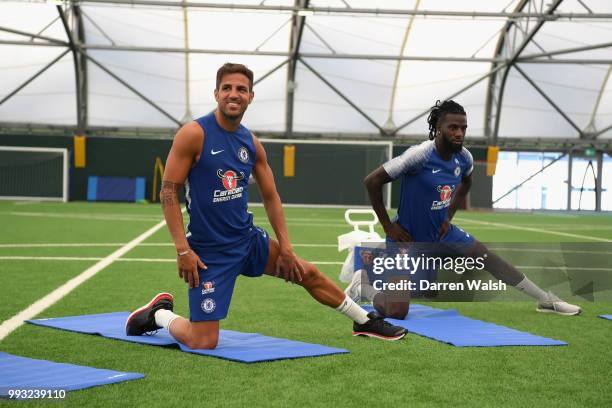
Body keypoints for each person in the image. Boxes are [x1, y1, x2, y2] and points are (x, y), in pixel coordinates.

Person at [125, 63, 407, 347]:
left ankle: (364, 321)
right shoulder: (194, 134)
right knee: (203, 341)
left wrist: (286, 247)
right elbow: (168, 191)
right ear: (216, 94)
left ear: (250, 96)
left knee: (305, 272)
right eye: (227, 88)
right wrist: (182, 250)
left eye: (241, 89)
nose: (233, 94)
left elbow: (271, 197)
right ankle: (159, 314)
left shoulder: (251, 143)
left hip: (247, 241)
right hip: (209, 252)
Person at [356, 99, 581, 317]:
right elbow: (371, 181)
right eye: (453, 127)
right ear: (438, 128)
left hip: (442, 235)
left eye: (463, 128)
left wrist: (447, 217)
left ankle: (546, 300)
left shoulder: (464, 158)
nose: (459, 133)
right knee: (398, 311)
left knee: (486, 257)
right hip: (406, 239)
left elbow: (466, 183)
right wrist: (388, 227)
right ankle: (364, 287)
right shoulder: (419, 155)